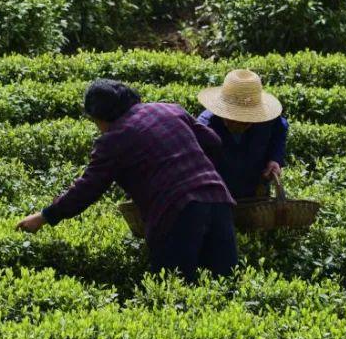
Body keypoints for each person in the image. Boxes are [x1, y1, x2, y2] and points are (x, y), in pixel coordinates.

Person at [16, 79, 238, 283]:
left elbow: (87, 189)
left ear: (101, 117)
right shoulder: (169, 109)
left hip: (176, 212)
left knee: (174, 291)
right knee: (224, 286)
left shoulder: (112, 141)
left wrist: (44, 216)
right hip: (218, 199)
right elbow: (213, 141)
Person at [196, 69, 288, 199]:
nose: (239, 125)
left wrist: (275, 158)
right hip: (219, 198)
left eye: (246, 121)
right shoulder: (206, 126)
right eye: (233, 120)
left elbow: (280, 129)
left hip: (256, 196)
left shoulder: (267, 119)